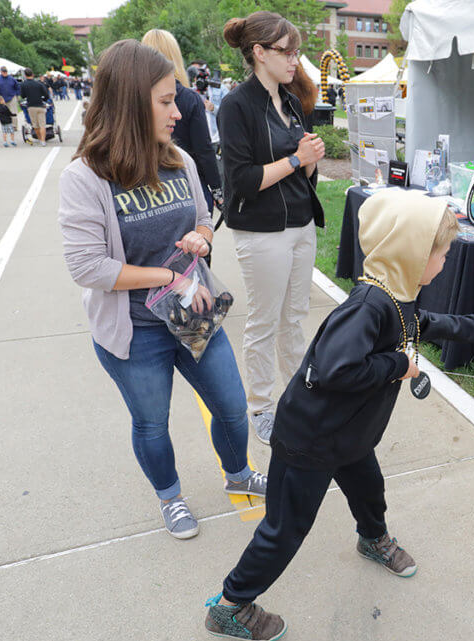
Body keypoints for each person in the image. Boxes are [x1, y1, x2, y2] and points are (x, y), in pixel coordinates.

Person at [202, 190, 474, 641]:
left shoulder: (397, 295)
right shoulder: (369, 305)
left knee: (369, 490)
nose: (444, 262)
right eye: (440, 253)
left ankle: (373, 538)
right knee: (285, 530)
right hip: (310, 439)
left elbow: (422, 323)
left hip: (349, 434)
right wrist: (399, 366)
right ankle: (230, 605)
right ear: (411, 253)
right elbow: (334, 368)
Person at [58, 39, 267, 540]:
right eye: (165, 101)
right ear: (130, 103)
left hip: (194, 318)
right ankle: (170, 497)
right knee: (152, 425)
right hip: (135, 334)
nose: (178, 111)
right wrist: (169, 278)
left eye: (176, 99)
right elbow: (87, 266)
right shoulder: (84, 178)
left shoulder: (179, 161)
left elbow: (201, 218)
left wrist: (203, 236)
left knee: (233, 409)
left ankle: (238, 474)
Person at [219, 11, 326, 444]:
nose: (295, 60)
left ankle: (300, 396)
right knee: (264, 322)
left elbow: (301, 174)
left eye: (297, 51)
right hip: (262, 232)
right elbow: (242, 179)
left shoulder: (290, 102)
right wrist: (297, 160)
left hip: (301, 224)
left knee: (294, 318)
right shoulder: (236, 106)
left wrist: (310, 162)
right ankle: (261, 407)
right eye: (287, 51)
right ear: (259, 53)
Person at [142, 30, 223, 215]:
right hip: (188, 183)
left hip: (147, 185)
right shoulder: (189, 98)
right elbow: (203, 149)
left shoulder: (136, 96)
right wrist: (217, 190)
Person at [20, 68, 50, 147]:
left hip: (31, 106)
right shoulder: (39, 84)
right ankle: (43, 141)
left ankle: (40, 139)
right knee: (42, 124)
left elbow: (23, 95)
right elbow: (46, 94)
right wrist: (43, 99)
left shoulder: (23, 84)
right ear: (32, 74)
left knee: (35, 125)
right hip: (40, 105)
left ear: (25, 75)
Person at [0, 67, 21, 131]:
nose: (5, 73)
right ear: (1, 72)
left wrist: (17, 94)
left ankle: (14, 126)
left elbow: (17, 87)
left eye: (6, 72)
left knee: (13, 112)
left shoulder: (12, 79)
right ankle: (6, 126)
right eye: (3, 72)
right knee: (3, 113)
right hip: (1, 98)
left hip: (11, 97)